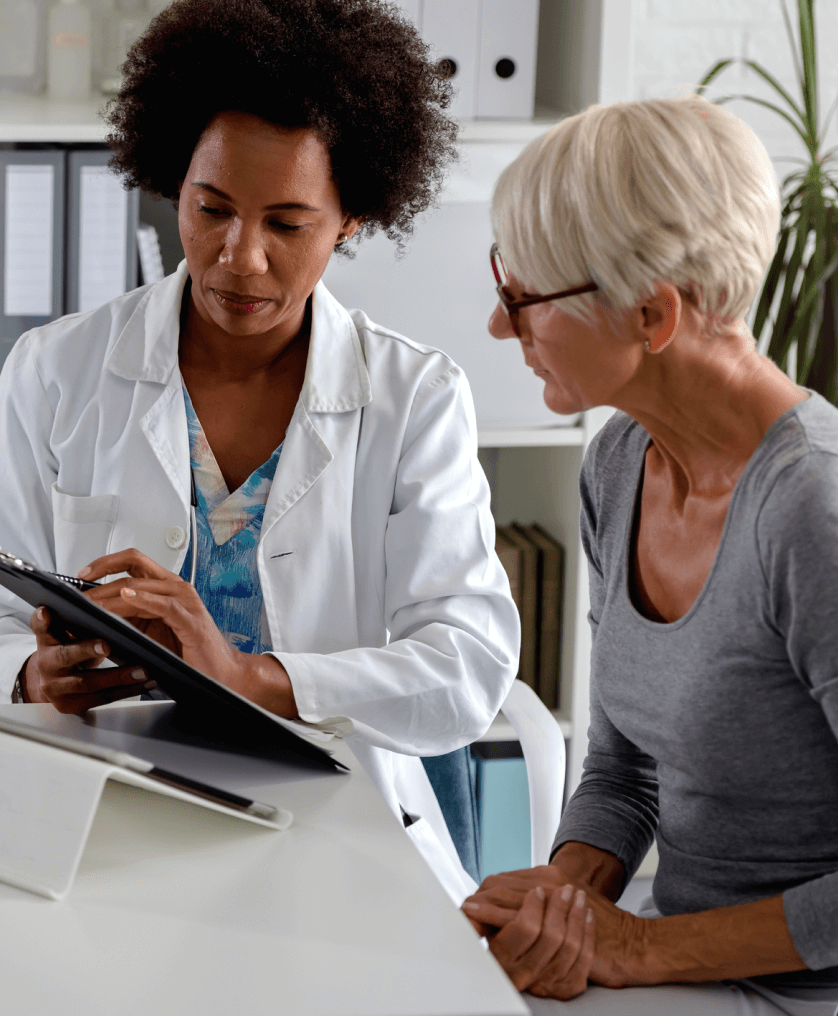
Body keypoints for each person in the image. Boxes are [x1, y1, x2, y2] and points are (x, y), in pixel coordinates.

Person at [0, 0, 519, 904]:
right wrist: (29, 671)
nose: (240, 258)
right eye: (212, 209)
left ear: (353, 215)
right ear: (173, 182)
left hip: (337, 830)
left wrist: (255, 679)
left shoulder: (416, 400)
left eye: (287, 224)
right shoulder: (53, 371)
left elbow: (465, 668)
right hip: (94, 818)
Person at [462, 95, 838, 1015]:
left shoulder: (812, 510)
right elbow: (626, 768)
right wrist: (567, 899)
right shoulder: (622, 462)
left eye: (523, 297)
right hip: (684, 965)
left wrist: (638, 946)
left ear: (650, 317)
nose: (500, 328)